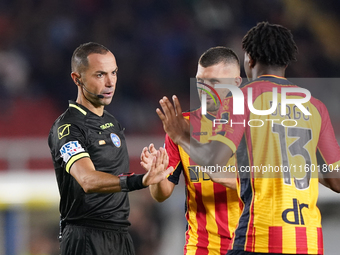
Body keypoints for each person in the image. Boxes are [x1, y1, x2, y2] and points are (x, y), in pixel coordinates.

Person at [156, 22, 340, 255]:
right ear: (285, 62)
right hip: (309, 243)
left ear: (249, 60)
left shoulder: (240, 100)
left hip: (259, 239)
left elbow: (214, 164)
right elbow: (337, 181)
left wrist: (181, 136)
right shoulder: (315, 107)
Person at [48, 42, 173, 255]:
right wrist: (140, 180)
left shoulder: (112, 122)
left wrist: (158, 174)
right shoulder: (68, 128)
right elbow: (87, 180)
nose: (110, 82)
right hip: (86, 238)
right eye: (99, 75)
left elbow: (158, 194)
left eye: (113, 73)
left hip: (121, 237)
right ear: (77, 79)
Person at [141, 46, 242, 254]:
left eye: (214, 82)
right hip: (203, 247)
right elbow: (161, 194)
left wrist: (216, 171)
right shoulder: (182, 127)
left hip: (251, 244)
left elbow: (265, 184)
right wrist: (157, 175)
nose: (205, 89)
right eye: (200, 81)